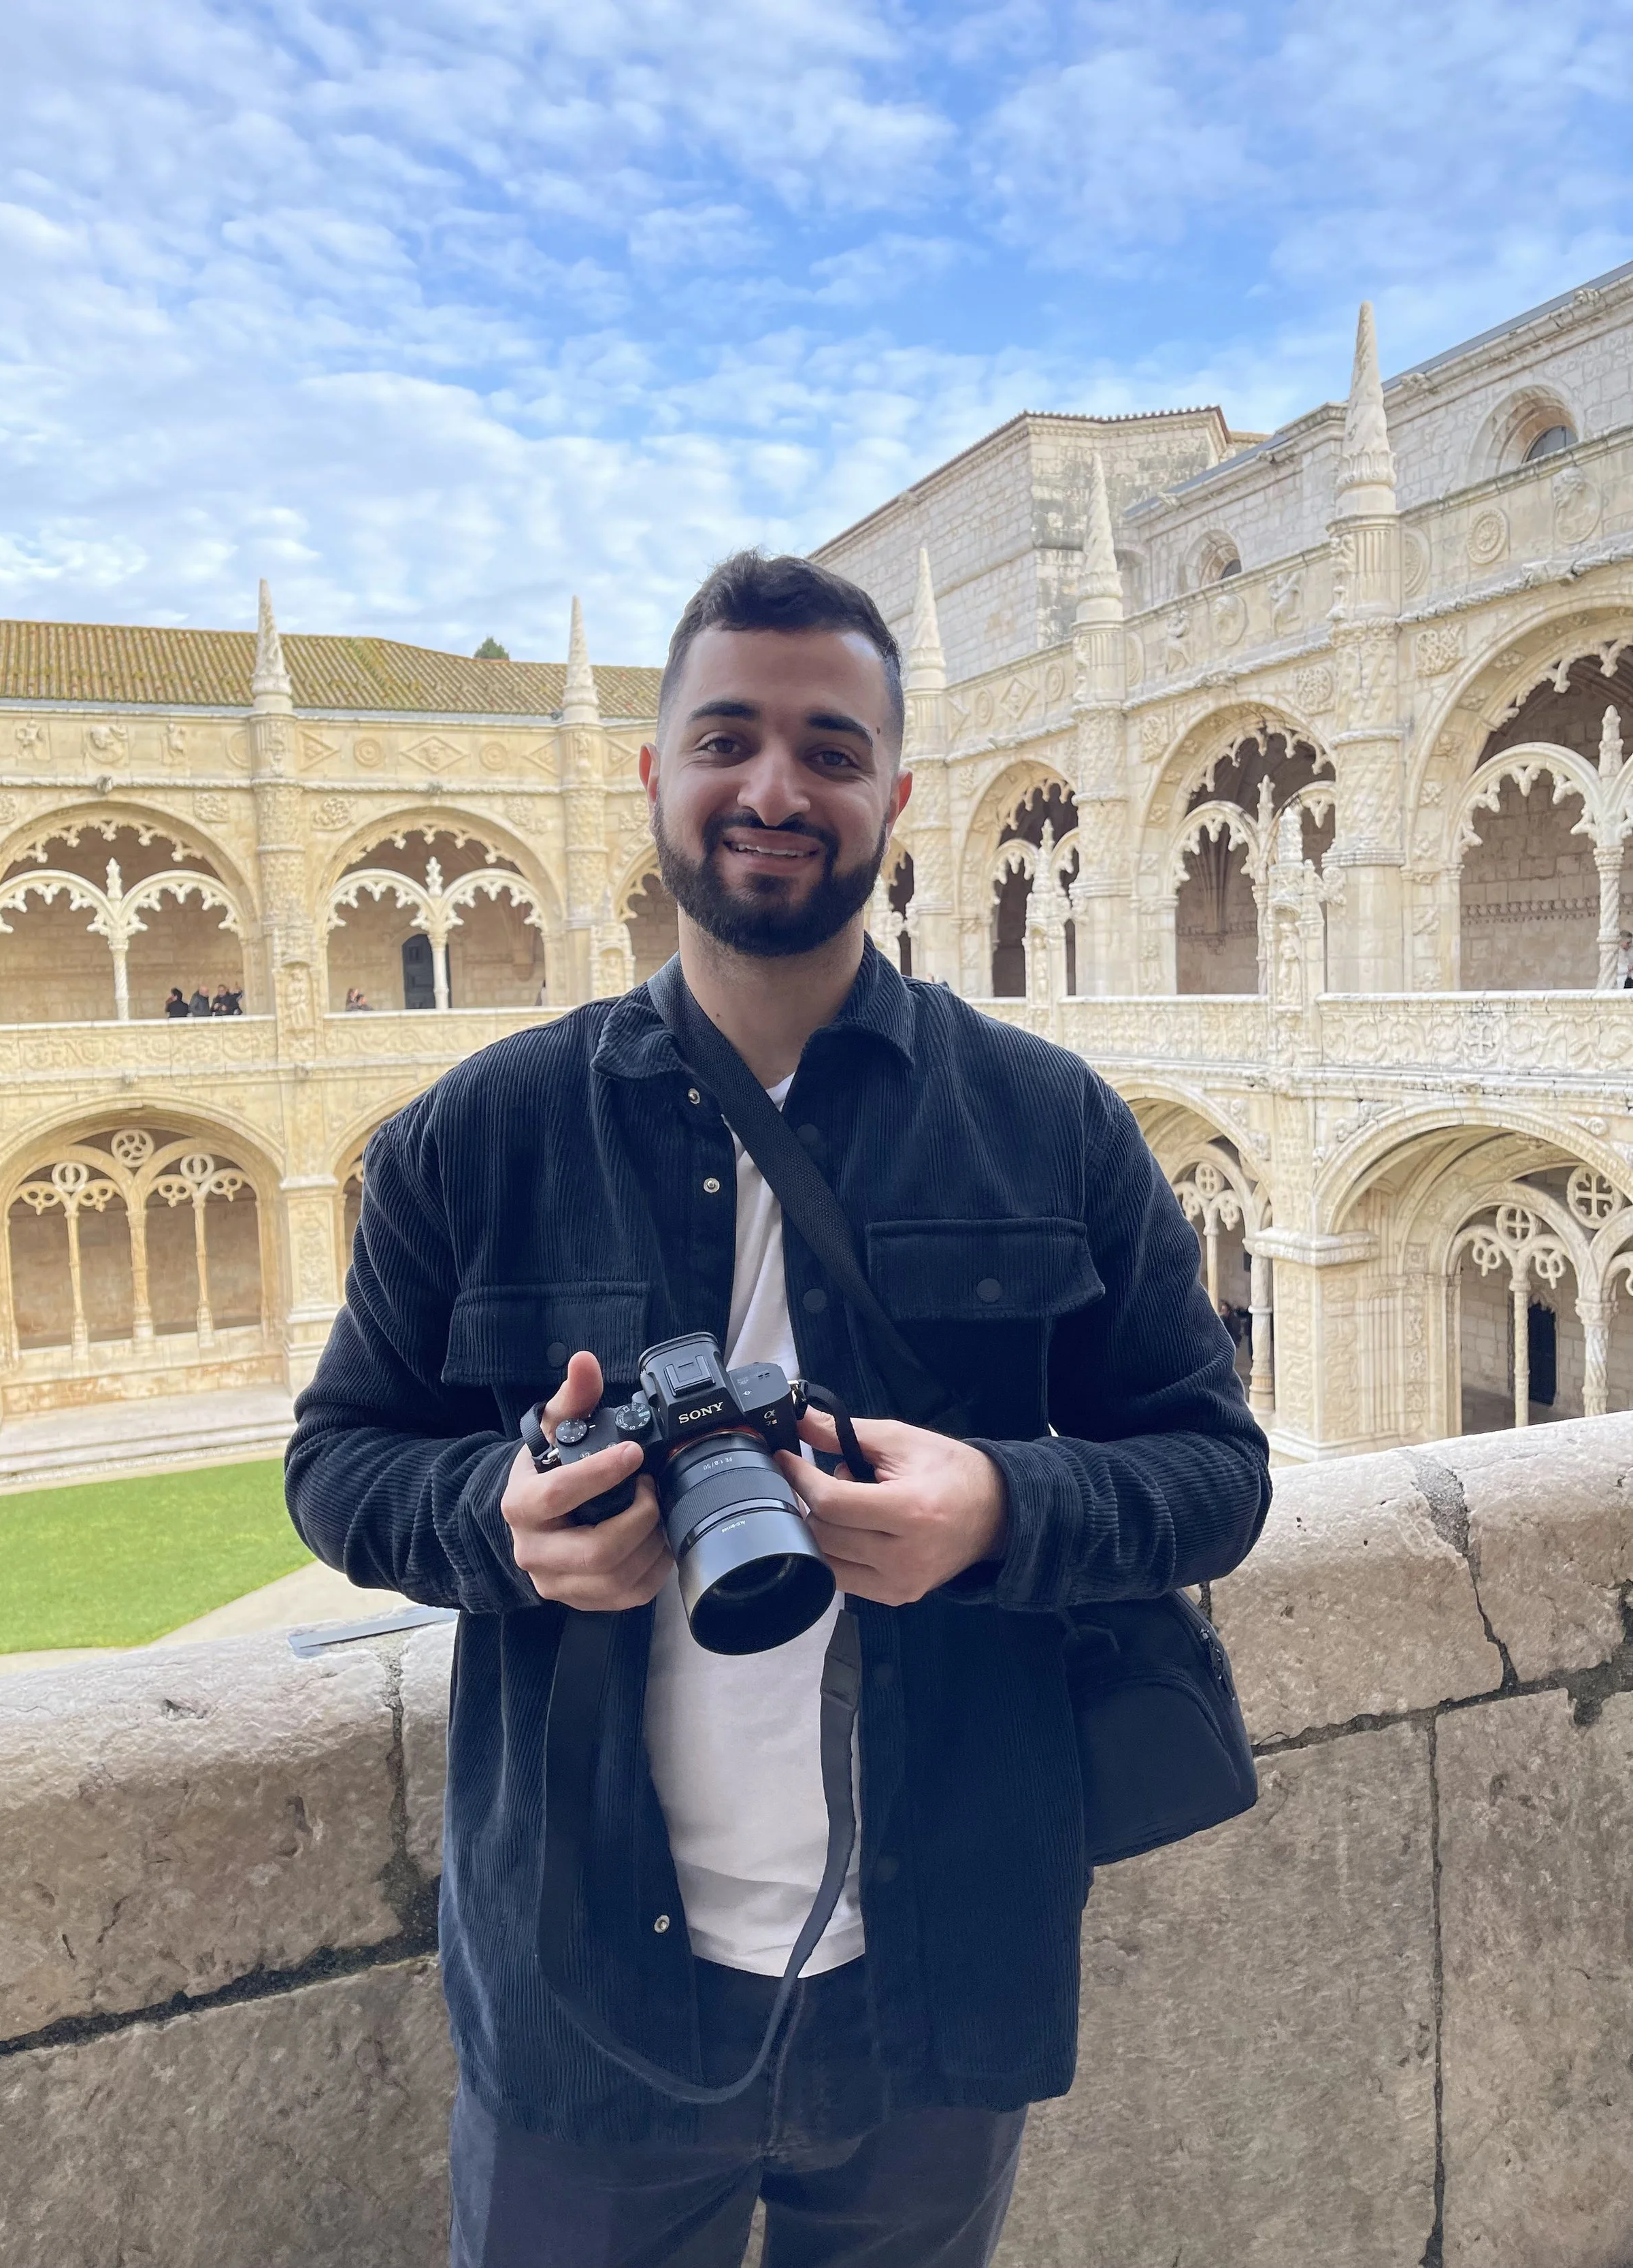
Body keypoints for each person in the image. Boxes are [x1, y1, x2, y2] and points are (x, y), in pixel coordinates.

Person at [286, 552, 1270, 2268]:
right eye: (726, 736)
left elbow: (1214, 1474)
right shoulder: (484, 1133)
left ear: (894, 792)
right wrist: (498, 1525)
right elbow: (338, 1464)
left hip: (935, 1986)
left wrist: (998, 1509)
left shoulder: (1048, 1125)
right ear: (649, 775)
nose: (773, 786)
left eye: (828, 748)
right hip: (585, 1994)